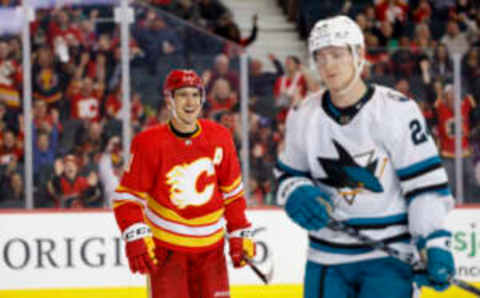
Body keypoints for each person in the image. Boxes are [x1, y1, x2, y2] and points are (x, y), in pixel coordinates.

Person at [275, 16, 455, 298]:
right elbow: (287, 175)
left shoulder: (396, 111)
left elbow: (424, 187)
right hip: (326, 259)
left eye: (337, 55)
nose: (328, 65)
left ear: (359, 55)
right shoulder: (303, 114)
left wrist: (433, 242)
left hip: (389, 257)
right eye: (321, 58)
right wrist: (295, 191)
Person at [112, 69, 256, 298]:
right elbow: (127, 198)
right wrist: (134, 233)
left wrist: (239, 230)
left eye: (195, 95)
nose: (190, 102)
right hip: (168, 252)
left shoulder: (220, 137)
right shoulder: (148, 143)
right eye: (182, 95)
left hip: (212, 253)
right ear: (169, 99)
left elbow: (233, 195)